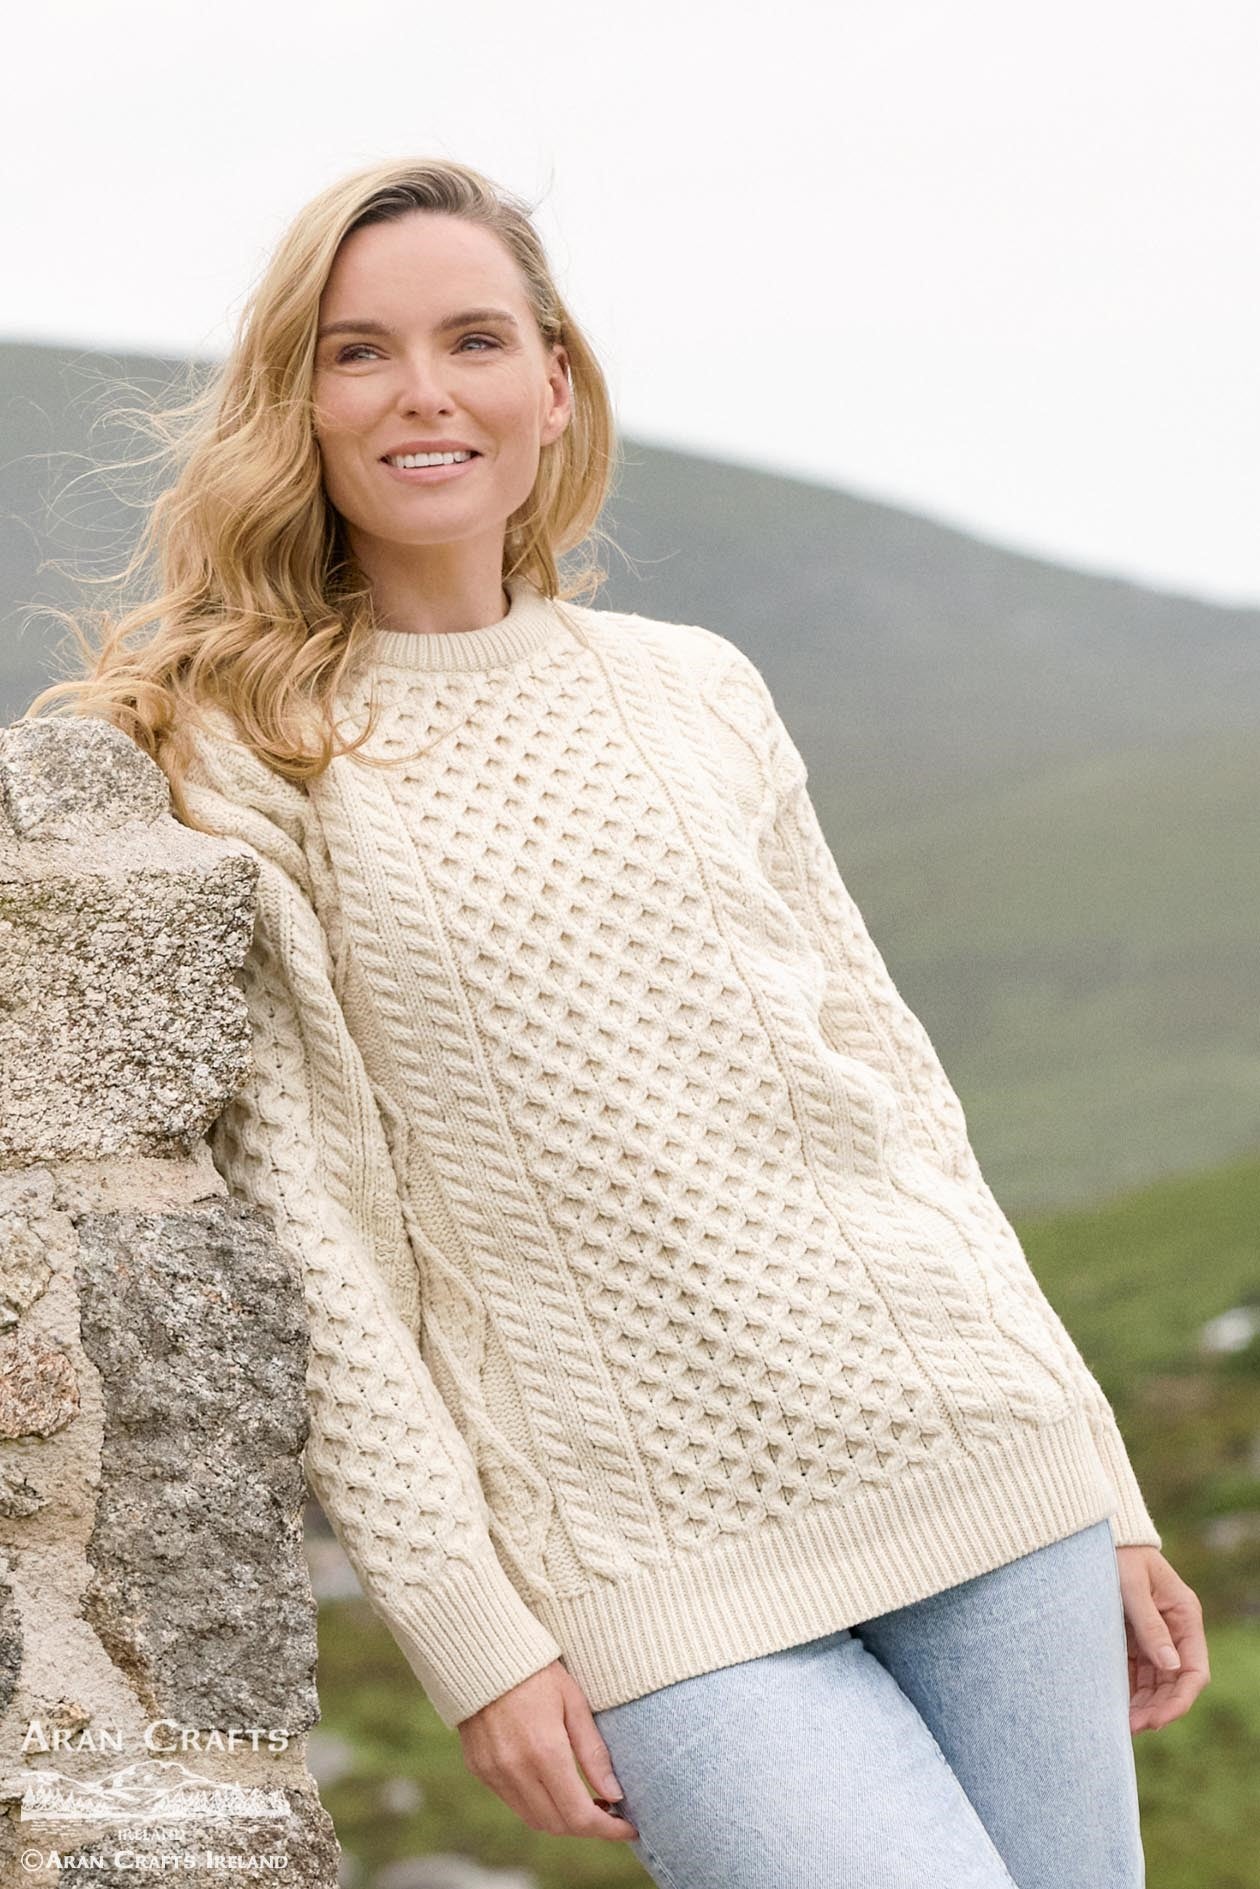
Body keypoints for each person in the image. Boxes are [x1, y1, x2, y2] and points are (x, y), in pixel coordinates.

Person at [27, 156, 1210, 1887]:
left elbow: (897, 1100)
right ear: (299, 402)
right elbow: (315, 1239)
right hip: (655, 1578)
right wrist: (471, 1633)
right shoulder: (241, 752)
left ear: (556, 381)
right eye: (359, 352)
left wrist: (1104, 1478)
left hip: (981, 1465)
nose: (424, 391)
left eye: (474, 339)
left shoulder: (698, 686)